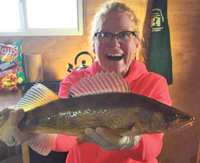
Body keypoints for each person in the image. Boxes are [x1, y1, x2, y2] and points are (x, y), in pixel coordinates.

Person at [0, 1, 172, 163]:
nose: (114, 42)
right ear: (93, 44)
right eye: (104, 34)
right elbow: (65, 139)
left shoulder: (155, 83)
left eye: (124, 34)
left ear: (137, 44)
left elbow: (153, 147)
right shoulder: (75, 80)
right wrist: (29, 134)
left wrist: (132, 142)